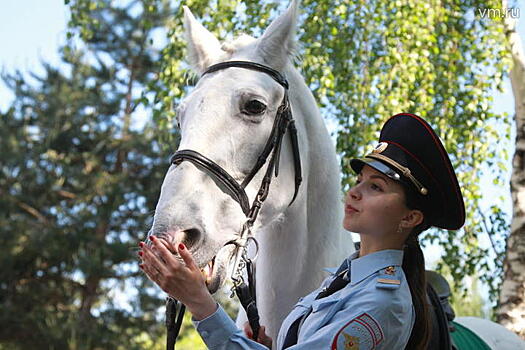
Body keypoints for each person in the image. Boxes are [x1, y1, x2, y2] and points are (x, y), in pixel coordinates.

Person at [138, 113, 465, 349]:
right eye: (358, 181)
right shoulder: (344, 280)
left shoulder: (381, 303)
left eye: (376, 187)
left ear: (410, 218)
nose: (354, 193)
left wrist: (199, 302)